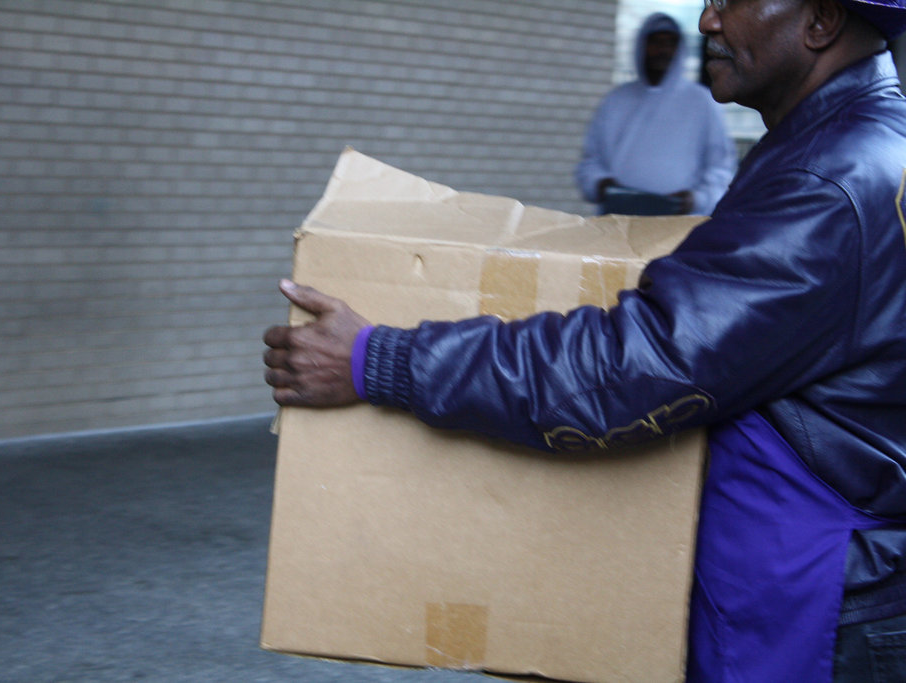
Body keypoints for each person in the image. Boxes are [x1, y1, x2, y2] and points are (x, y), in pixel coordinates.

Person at [263, 0, 906, 678]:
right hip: (818, 577)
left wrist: (379, 359)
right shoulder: (853, 143)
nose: (707, 21)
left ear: (821, 21)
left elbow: (637, 366)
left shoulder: (828, 178)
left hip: (820, 610)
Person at [576, 12, 736, 215]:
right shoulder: (616, 100)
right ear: (642, 46)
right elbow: (590, 163)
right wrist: (603, 185)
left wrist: (695, 200)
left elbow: (720, 170)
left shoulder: (703, 102)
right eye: (656, 42)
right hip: (617, 222)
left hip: (677, 228)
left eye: (670, 43)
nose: (663, 50)